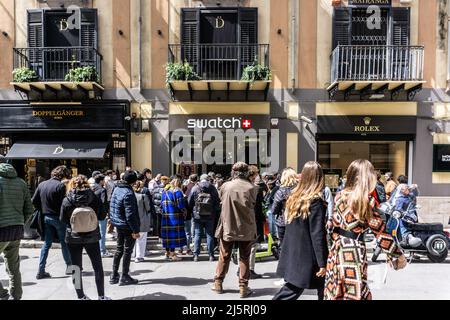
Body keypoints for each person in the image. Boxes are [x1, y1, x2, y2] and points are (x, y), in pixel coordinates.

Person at [325, 159, 407, 300]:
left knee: (338, 289)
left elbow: (334, 226)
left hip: (337, 250)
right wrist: (398, 255)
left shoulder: (339, 195)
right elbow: (380, 232)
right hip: (354, 251)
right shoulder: (365, 201)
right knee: (355, 291)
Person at [273, 162, 328, 300]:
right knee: (293, 289)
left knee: (321, 288)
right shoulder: (315, 201)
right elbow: (317, 233)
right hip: (308, 255)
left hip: (294, 251)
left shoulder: (295, 197)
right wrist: (322, 262)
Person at [60, 175, 111, 300]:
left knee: (75, 268)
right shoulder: (93, 198)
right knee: (97, 266)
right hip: (92, 236)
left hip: (73, 237)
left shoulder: (67, 200)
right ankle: (101, 296)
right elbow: (102, 216)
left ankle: (81, 296)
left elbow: (62, 219)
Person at [212, 162, 258, 299]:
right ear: (246, 172)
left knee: (224, 255)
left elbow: (221, 200)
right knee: (244, 257)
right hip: (246, 226)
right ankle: (243, 287)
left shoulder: (225, 186)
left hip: (228, 225)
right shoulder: (252, 188)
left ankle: (218, 283)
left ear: (233, 172)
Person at [32, 165, 73, 279]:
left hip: (46, 217)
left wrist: (43, 208)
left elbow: (34, 201)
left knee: (46, 244)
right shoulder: (60, 186)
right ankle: (69, 267)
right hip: (58, 218)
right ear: (62, 175)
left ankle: (41, 270)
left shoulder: (42, 184)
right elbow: (65, 204)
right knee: (64, 242)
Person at [0, 164, 33, 300]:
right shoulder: (21, 183)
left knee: (13, 264)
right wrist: (20, 222)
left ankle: (2, 293)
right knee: (14, 265)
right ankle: (16, 295)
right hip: (16, 229)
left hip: (1, 229)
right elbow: (29, 209)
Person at [109, 170, 141, 286]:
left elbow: (112, 206)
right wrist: (136, 230)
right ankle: (125, 275)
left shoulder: (117, 188)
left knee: (119, 249)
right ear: (133, 181)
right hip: (127, 226)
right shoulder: (128, 192)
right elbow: (130, 214)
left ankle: (114, 274)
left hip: (118, 223)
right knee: (127, 251)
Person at [188, 174, 221, 262]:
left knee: (197, 234)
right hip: (210, 215)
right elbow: (217, 201)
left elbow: (190, 202)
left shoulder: (195, 188)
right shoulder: (212, 188)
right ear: (208, 179)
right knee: (209, 235)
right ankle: (211, 255)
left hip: (197, 215)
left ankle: (196, 255)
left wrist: (192, 211)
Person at [160, 177, 187, 261]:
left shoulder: (164, 192)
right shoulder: (178, 192)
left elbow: (161, 205)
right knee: (173, 237)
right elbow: (181, 205)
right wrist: (185, 211)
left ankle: (167, 253)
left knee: (167, 236)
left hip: (166, 217)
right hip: (175, 217)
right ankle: (172, 254)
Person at [271, 168, 298, 249]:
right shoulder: (300, 190)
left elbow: (274, 210)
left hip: (283, 222)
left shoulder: (280, 192)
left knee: (284, 248)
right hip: (297, 222)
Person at [91, 174, 112, 258]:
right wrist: (106, 213)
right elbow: (103, 203)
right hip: (101, 214)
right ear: (100, 181)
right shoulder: (102, 190)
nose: (104, 182)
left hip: (92, 213)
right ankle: (102, 250)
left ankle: (96, 249)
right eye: (103, 180)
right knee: (102, 233)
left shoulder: (92, 188)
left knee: (94, 232)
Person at [133, 180, 152, 263]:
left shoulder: (130, 196)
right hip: (142, 220)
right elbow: (148, 208)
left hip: (132, 220)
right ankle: (139, 256)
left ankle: (132, 255)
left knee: (132, 239)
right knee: (141, 239)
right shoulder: (143, 196)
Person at [183, 174, 199, 255]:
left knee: (185, 231)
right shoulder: (196, 187)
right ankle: (188, 248)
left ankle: (182, 248)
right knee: (189, 231)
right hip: (192, 211)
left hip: (185, 211)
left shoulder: (185, 186)